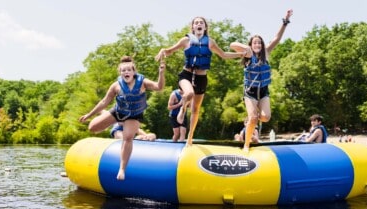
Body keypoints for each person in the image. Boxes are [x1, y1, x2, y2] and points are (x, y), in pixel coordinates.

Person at [155, 17, 247, 146]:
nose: (199, 24)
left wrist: (240, 54)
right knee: (189, 94)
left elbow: (224, 55)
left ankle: (190, 137)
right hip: (186, 74)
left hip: (201, 78)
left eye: (201, 23)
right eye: (196, 23)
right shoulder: (186, 40)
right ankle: (182, 109)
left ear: (205, 27)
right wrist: (162, 50)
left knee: (196, 110)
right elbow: (169, 51)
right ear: (193, 27)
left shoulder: (210, 42)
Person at [79, 56, 165, 180]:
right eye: (123, 70)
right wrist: (89, 115)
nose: (126, 72)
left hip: (134, 115)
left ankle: (122, 169)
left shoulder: (143, 82)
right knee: (92, 127)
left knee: (128, 138)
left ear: (134, 71)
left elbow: (159, 87)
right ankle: (108, 117)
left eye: (129, 70)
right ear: (120, 73)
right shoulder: (116, 86)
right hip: (118, 112)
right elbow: (104, 101)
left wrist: (161, 73)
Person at [230, 9, 293, 151]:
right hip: (250, 92)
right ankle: (246, 144)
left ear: (262, 45)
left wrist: (285, 21)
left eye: (259, 43)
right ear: (251, 45)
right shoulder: (247, 54)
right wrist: (246, 48)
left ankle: (253, 119)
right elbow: (232, 45)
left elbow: (277, 38)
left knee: (265, 117)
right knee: (252, 118)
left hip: (263, 91)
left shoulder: (267, 52)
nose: (257, 45)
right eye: (255, 43)